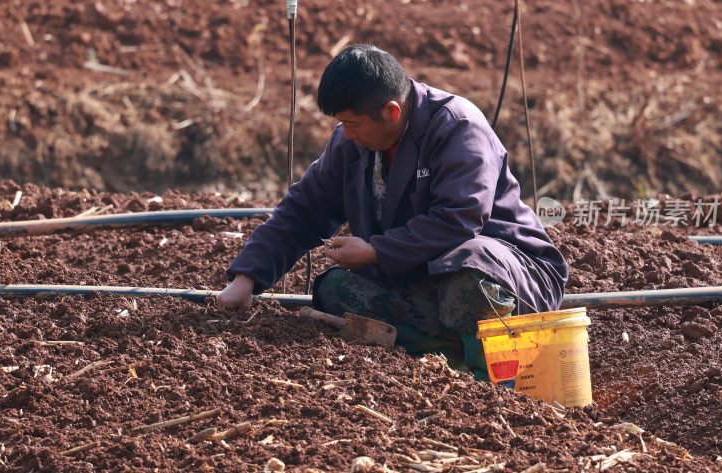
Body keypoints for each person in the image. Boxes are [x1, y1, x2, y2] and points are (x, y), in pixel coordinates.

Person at [217, 44, 568, 379]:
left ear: (392, 111)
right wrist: (247, 278)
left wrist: (376, 251)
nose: (347, 134)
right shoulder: (351, 141)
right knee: (334, 290)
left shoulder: (457, 126)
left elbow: (459, 218)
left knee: (469, 267)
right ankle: (444, 354)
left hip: (508, 276)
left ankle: (491, 374)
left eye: (354, 124)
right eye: (343, 124)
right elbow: (302, 209)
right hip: (422, 277)